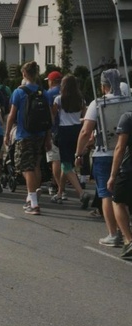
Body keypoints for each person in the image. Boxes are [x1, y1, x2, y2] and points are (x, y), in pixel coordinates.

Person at [77, 69, 125, 247]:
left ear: (104, 86)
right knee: (123, 194)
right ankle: (124, 230)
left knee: (106, 194)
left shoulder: (98, 103)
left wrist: (78, 152)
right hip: (125, 153)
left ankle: (113, 234)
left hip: (104, 153)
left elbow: (85, 131)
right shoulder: (127, 101)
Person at [5, 61, 52, 215]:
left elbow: (12, 115)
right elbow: (49, 116)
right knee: (35, 164)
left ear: (24, 74)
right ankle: (32, 194)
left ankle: (33, 202)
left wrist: (7, 134)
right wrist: (48, 137)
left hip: (24, 134)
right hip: (40, 133)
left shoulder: (19, 92)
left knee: (25, 167)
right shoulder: (43, 92)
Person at [50, 74, 91, 207]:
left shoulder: (59, 99)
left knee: (66, 165)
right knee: (67, 163)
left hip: (64, 131)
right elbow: (85, 115)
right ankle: (60, 193)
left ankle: (81, 193)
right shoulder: (81, 99)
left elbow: (54, 114)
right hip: (77, 130)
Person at [109, 112, 132, 259]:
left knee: (117, 201)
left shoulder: (127, 117)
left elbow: (120, 147)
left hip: (128, 169)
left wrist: (112, 175)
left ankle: (129, 240)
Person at [44, 71, 62, 197]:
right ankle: (63, 185)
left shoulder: (50, 93)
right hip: (69, 129)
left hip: (55, 129)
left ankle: (57, 186)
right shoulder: (69, 92)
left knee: (55, 159)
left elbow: (50, 113)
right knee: (65, 160)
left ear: (53, 81)